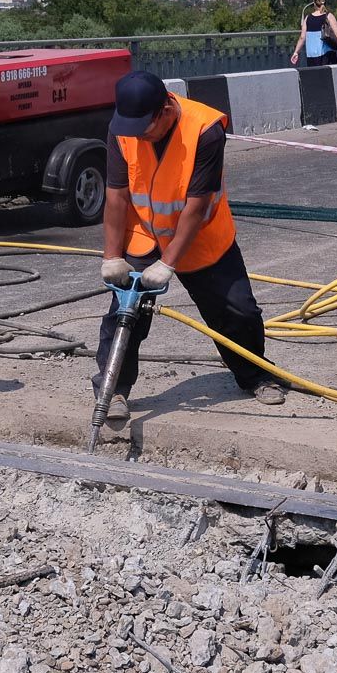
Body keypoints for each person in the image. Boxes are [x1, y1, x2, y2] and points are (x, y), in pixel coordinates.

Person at [94, 70, 287, 425]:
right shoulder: (123, 128)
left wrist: (167, 263)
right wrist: (112, 255)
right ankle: (114, 389)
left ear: (166, 108)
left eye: (145, 128)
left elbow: (197, 206)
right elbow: (117, 195)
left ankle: (256, 375)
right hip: (145, 234)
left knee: (238, 311)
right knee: (125, 312)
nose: (138, 135)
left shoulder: (205, 130)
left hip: (199, 237)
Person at [290, 0, 337, 66]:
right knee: (328, 77)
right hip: (327, 55)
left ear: (314, 4)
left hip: (311, 55)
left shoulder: (308, 18)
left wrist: (296, 52)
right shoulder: (328, 16)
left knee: (314, 77)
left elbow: (302, 37)